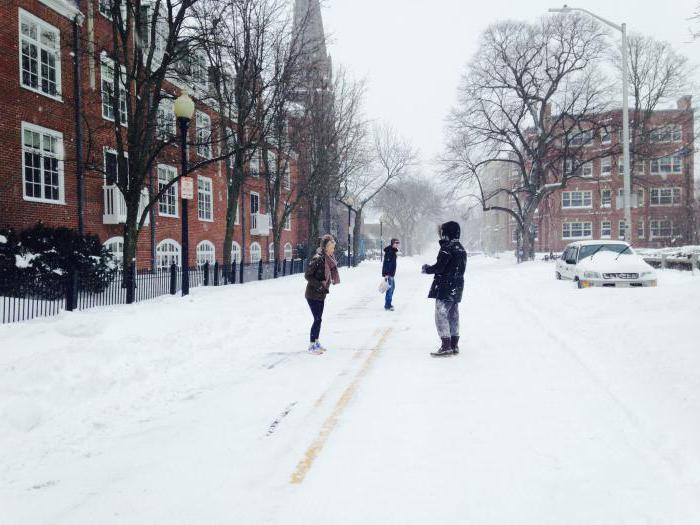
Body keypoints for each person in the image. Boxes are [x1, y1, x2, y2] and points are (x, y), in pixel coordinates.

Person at [421, 221, 467, 357]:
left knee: (441, 315)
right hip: (457, 286)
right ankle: (454, 345)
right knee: (453, 315)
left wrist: (427, 269)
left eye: (443, 232)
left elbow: (440, 267)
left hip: (446, 286)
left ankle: (446, 346)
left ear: (446, 233)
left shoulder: (447, 248)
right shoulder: (461, 248)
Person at [304, 234, 341, 354]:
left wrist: (323, 288)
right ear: (325, 247)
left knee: (319, 319)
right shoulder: (318, 258)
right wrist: (319, 286)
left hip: (321, 294)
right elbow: (308, 275)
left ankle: (316, 341)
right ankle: (311, 345)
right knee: (317, 319)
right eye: (331, 247)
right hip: (312, 294)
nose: (333, 249)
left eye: (333, 247)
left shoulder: (328, 259)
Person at [381, 238, 400, 311]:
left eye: (398, 243)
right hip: (389, 274)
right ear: (392, 243)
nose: (397, 244)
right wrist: (385, 274)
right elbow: (386, 264)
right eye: (396, 242)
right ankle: (387, 305)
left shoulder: (393, 251)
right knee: (390, 289)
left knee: (392, 288)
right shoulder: (390, 251)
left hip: (391, 274)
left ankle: (388, 303)